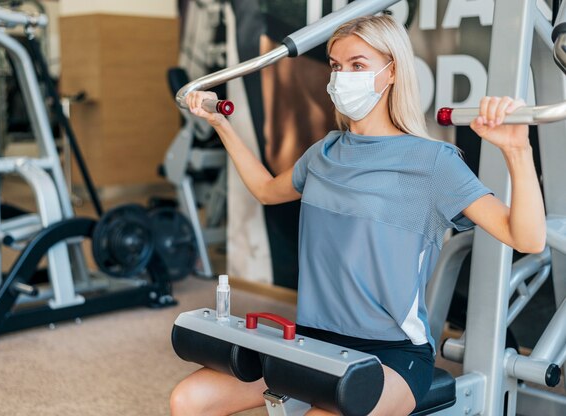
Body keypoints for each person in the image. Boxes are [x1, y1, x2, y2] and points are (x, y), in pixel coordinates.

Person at [170, 14, 546, 416]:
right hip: (311, 341)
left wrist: (516, 151)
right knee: (188, 400)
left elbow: (526, 238)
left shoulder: (432, 163)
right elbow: (264, 190)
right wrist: (220, 122)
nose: (341, 76)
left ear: (392, 72)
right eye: (335, 65)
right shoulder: (324, 153)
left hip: (389, 354)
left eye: (358, 65)